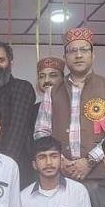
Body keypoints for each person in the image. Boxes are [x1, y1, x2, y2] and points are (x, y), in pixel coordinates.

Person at [35, 28, 105, 182]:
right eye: (72, 51)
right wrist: (59, 159)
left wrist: (90, 160)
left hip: (102, 177)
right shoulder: (52, 92)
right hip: (61, 176)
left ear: (93, 55)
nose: (78, 55)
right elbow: (41, 132)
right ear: (65, 57)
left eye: (84, 50)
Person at [0, 42, 37, 179]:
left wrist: (3, 168)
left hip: (11, 168)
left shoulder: (21, 87)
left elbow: (17, 131)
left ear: (10, 63)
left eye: (1, 60)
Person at [29, 57, 66, 187]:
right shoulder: (32, 110)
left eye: (53, 75)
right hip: (42, 175)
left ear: (63, 79)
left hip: (72, 169)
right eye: (42, 77)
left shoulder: (70, 106)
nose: (47, 81)